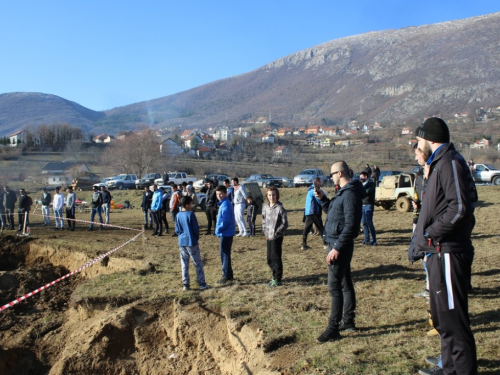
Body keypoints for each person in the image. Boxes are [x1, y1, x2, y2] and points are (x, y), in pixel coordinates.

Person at [414, 117, 478, 375]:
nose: (416, 146)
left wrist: (430, 234)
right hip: (438, 252)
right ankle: (449, 369)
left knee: (454, 321)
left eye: (418, 141)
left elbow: (460, 207)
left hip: (448, 251)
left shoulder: (450, 162)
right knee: (442, 319)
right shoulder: (439, 164)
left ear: (430, 139)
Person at [315, 161, 363, 343]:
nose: (331, 176)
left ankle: (333, 328)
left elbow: (351, 226)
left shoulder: (350, 194)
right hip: (337, 243)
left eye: (332, 173)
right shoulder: (343, 192)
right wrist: (322, 199)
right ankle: (348, 321)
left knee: (334, 287)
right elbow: (334, 213)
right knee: (344, 282)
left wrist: (336, 248)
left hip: (339, 246)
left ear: (340, 174)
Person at [175, 195, 209, 291]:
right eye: (191, 203)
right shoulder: (190, 215)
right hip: (191, 242)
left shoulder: (178, 215)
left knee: (184, 263)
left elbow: (177, 230)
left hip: (182, 242)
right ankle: (201, 283)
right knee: (197, 262)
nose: (192, 205)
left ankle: (185, 284)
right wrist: (195, 238)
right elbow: (196, 229)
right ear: (187, 205)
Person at [262, 187, 288, 287]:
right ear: (267, 196)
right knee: (269, 258)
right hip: (268, 236)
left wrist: (277, 232)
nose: (272, 197)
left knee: (276, 257)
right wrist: (265, 231)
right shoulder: (265, 207)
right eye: (269, 195)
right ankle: (274, 274)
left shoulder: (280, 208)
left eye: (273, 195)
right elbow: (263, 220)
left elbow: (285, 223)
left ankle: (277, 278)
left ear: (277, 195)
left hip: (277, 236)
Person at [215, 185, 236, 284]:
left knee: (224, 254)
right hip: (225, 232)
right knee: (225, 254)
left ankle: (226, 275)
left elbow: (225, 221)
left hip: (226, 233)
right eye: (217, 194)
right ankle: (229, 274)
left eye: (220, 194)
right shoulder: (223, 204)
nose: (219, 196)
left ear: (225, 193)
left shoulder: (226, 205)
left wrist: (218, 229)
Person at [301, 177, 324, 250]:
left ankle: (303, 244)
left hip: (308, 212)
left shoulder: (310, 190)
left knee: (306, 229)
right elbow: (319, 199)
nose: (321, 183)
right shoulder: (313, 191)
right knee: (321, 228)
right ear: (317, 182)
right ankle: (326, 243)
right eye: (320, 182)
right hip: (313, 212)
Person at [359, 171, 377, 246]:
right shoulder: (361, 185)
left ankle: (374, 240)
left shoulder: (371, 184)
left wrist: (360, 189)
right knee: (364, 223)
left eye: (362, 177)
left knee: (369, 222)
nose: (360, 178)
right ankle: (366, 239)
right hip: (362, 205)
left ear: (366, 177)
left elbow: (365, 192)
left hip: (369, 205)